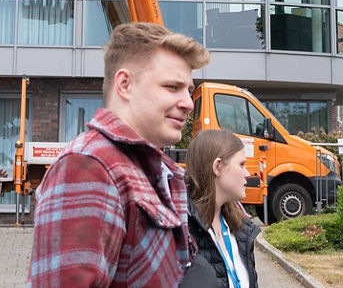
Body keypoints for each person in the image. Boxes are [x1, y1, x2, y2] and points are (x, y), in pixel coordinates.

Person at [29, 22, 211, 287]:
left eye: (188, 89)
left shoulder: (157, 171)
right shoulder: (88, 167)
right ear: (124, 84)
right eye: (172, 87)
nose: (188, 102)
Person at [181, 128, 261, 288]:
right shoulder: (182, 233)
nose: (247, 174)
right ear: (217, 167)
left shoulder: (242, 229)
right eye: (241, 164)